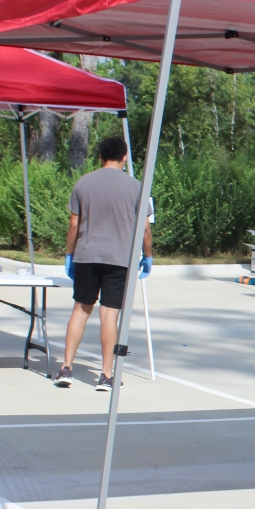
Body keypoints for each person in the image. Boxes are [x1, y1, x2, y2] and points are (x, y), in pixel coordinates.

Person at [55, 136, 151, 390]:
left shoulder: (83, 183)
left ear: (99, 157)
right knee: (109, 315)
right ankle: (106, 375)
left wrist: (69, 254)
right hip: (120, 258)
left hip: (87, 255)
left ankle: (66, 367)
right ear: (125, 157)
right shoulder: (136, 187)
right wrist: (148, 255)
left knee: (81, 309)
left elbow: (74, 224)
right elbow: (144, 227)